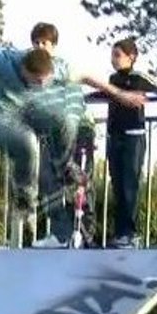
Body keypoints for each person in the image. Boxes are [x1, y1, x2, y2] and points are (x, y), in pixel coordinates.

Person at [0, 0, 145, 248]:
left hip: (38, 125)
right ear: (25, 71)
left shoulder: (56, 67)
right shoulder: (2, 60)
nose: (41, 87)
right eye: (36, 82)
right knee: (29, 147)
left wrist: (120, 95)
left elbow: (88, 76)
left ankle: (66, 231)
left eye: (44, 83)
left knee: (52, 171)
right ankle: (32, 206)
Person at [28, 21, 96, 248]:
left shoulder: (61, 68)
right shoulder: (32, 70)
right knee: (47, 179)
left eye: (44, 43)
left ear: (53, 46)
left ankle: (83, 233)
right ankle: (59, 233)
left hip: (76, 131)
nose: (40, 46)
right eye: (36, 43)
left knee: (75, 178)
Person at [106, 37, 157, 249]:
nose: (114, 60)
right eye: (112, 55)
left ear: (131, 57)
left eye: (118, 55)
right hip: (115, 135)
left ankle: (130, 233)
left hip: (133, 135)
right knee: (118, 185)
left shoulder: (139, 77)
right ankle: (119, 232)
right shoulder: (112, 78)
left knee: (130, 184)